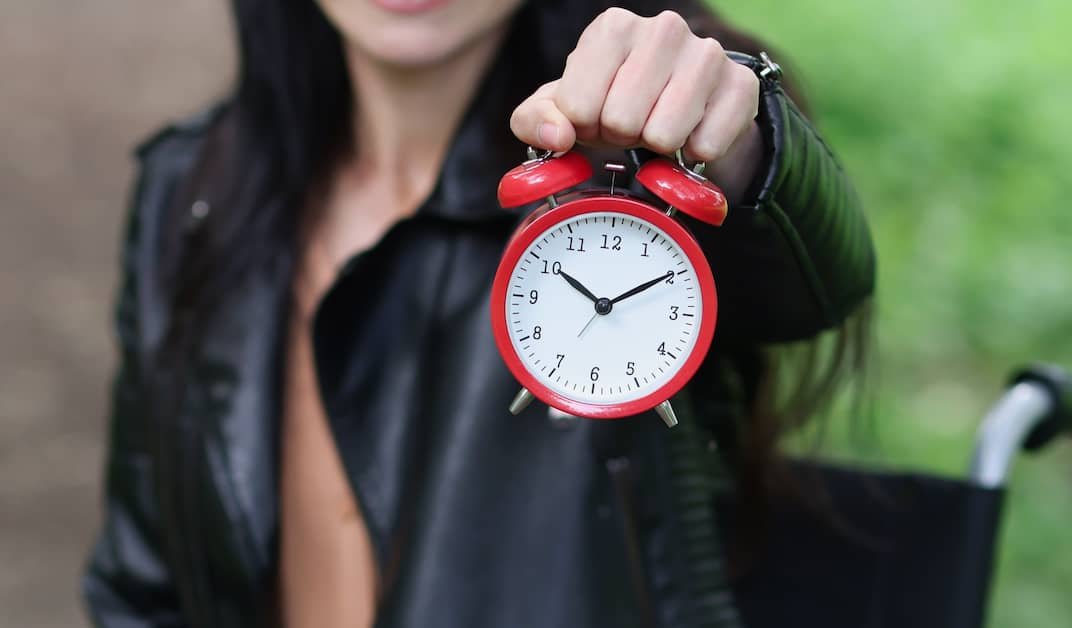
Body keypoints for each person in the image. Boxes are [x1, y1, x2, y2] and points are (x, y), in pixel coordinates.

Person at [82, 0, 875, 626]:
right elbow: (142, 585)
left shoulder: (636, 182)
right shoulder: (190, 195)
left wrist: (735, 138)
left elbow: (819, 279)